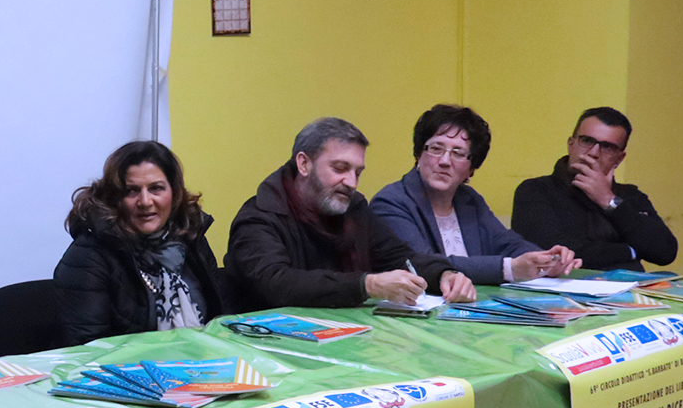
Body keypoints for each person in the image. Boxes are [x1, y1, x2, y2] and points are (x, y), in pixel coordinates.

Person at [225, 117, 477, 309]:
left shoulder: (353, 210)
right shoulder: (260, 217)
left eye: (357, 172)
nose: (351, 182)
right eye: (339, 168)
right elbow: (277, 284)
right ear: (304, 164)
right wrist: (367, 285)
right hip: (263, 345)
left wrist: (445, 274)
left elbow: (401, 258)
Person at [370, 104, 579, 285]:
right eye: (436, 148)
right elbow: (423, 264)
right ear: (418, 154)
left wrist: (547, 260)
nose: (444, 161)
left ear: (471, 169)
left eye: (458, 153)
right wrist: (509, 269)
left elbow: (506, 243)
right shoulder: (391, 202)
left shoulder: (468, 199)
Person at [54, 141, 225, 346]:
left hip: (202, 359)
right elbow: (89, 348)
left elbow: (221, 321)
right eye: (131, 191)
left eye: (156, 188)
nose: (145, 201)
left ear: (174, 192)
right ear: (114, 198)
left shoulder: (190, 238)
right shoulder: (88, 257)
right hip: (125, 365)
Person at [511, 107, 678, 271]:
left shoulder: (630, 196)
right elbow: (549, 252)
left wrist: (609, 201)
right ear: (571, 144)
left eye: (608, 147)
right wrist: (630, 251)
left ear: (619, 159)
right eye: (587, 141)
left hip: (627, 287)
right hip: (563, 286)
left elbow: (664, 252)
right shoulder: (536, 190)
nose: (594, 152)